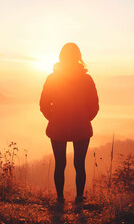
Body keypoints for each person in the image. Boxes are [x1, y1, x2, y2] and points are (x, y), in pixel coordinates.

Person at [40, 43, 99, 203]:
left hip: (58, 126)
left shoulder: (53, 78)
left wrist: (53, 118)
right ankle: (79, 199)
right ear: (78, 57)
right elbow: (94, 105)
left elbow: (44, 104)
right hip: (81, 127)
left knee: (60, 164)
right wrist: (85, 118)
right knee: (79, 164)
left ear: (61, 57)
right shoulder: (86, 79)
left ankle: (60, 199)